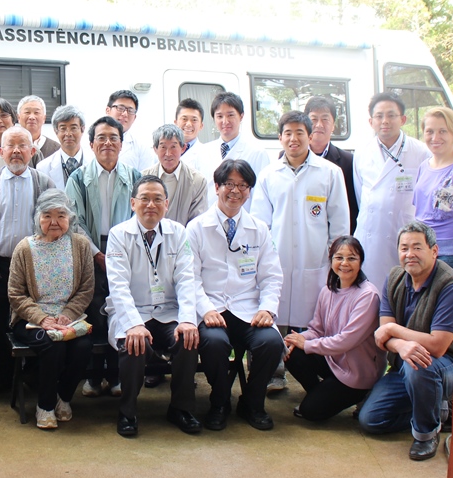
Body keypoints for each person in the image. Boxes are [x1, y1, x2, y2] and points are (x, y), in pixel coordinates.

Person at [251, 111, 350, 391]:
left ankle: (316, 375)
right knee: (274, 319)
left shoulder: (330, 172)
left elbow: (340, 222)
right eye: (288, 133)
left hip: (316, 261)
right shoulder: (269, 174)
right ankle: (275, 372)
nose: (293, 139)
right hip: (277, 259)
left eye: (299, 133)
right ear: (280, 137)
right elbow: (261, 223)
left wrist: (337, 260)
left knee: (314, 322)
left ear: (310, 136)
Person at [188, 159, 286, 431]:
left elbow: (271, 275)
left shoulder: (259, 228)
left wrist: (267, 309)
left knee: (271, 343)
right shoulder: (196, 228)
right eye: (229, 184)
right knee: (214, 343)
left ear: (250, 191)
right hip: (213, 308)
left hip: (248, 309)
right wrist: (206, 309)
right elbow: (190, 278)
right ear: (217, 186)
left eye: (243, 185)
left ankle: (252, 403)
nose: (236, 191)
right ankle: (219, 402)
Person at [107, 175, 201, 437]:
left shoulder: (178, 232)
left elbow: (186, 279)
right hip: (132, 311)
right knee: (134, 343)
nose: (151, 204)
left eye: (157, 199)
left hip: (167, 312)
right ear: (133, 203)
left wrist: (187, 320)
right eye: (145, 199)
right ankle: (127, 412)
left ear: (166, 204)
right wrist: (134, 324)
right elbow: (118, 285)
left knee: (187, 339)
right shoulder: (118, 234)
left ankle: (181, 408)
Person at [358, 221, 453, 461]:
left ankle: (426, 433)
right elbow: (383, 337)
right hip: (404, 365)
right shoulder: (394, 277)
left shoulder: (450, 285)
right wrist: (401, 344)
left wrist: (394, 329)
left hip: (444, 366)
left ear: (434, 251)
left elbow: (437, 345)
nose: (409, 254)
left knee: (419, 364)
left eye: (417, 247)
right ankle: (435, 410)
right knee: (371, 420)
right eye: (404, 248)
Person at [0, 126, 56, 394]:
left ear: (33, 151)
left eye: (23, 146)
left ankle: (31, 377)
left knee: (32, 322)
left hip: (35, 269)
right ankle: (1, 380)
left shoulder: (45, 183)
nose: (16, 151)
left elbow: (54, 230)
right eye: (10, 146)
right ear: (0, 151)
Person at [65, 116, 141, 397]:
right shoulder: (78, 178)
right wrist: (98, 254)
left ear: (121, 144)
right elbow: (74, 222)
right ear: (92, 143)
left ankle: (118, 374)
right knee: (95, 311)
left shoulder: (134, 177)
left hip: (127, 253)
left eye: (114, 138)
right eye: (102, 138)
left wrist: (118, 254)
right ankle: (95, 377)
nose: (108, 143)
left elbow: (139, 217)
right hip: (90, 253)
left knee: (123, 309)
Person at [7, 191, 95, 429]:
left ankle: (63, 397)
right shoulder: (24, 249)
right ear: (38, 218)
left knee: (83, 346)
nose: (54, 221)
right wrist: (43, 318)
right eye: (47, 215)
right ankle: (44, 405)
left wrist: (67, 315)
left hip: (69, 317)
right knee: (51, 345)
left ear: (70, 218)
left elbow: (86, 289)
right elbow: (15, 294)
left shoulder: (80, 245)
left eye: (61, 215)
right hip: (30, 319)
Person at [284, 236, 384, 422]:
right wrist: (295, 340)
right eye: (339, 258)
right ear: (331, 261)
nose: (344, 263)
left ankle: (361, 395)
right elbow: (317, 329)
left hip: (357, 373)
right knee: (292, 351)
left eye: (352, 258)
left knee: (310, 412)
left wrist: (306, 344)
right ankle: (321, 394)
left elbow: (346, 341)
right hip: (333, 361)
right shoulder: (328, 290)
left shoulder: (368, 296)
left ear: (361, 261)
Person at [353, 92, 431, 283]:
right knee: (371, 292)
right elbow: (359, 194)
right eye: (379, 116)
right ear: (371, 121)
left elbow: (425, 198)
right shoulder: (362, 152)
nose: (385, 121)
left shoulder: (420, 152)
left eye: (391, 115)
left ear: (403, 119)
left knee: (403, 291)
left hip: (403, 234)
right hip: (370, 235)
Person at [413, 107, 453, 273]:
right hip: (422, 250)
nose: (435, 138)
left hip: (450, 254)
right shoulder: (424, 166)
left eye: (443, 131)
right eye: (430, 131)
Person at [200, 92, 269, 209]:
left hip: (243, 220)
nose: (225, 121)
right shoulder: (204, 151)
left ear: (241, 116)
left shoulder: (257, 152)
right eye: (220, 116)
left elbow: (262, 194)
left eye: (230, 115)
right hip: (211, 220)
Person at [304, 96, 358, 233]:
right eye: (314, 119)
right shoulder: (287, 157)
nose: (319, 125)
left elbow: (351, 206)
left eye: (325, 119)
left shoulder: (347, 161)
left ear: (333, 125)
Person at [142, 124, 207, 225]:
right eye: (163, 147)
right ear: (155, 149)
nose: (168, 153)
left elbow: (197, 223)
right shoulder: (142, 178)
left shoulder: (197, 181)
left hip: (184, 239)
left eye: (173, 147)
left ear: (183, 148)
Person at [36, 105, 91, 189]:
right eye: (63, 128)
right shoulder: (43, 167)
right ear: (56, 131)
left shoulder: (95, 162)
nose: (68, 134)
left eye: (73, 128)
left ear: (82, 129)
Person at [107, 89, 156, 171]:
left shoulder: (142, 148)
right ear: (108, 110)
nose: (125, 114)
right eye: (120, 108)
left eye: (130, 111)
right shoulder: (89, 141)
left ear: (134, 118)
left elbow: (146, 181)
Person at [17, 95, 60, 161]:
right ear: (18, 117)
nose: (31, 117)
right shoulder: (11, 147)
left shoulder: (56, 149)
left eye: (36, 112)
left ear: (44, 118)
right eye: (27, 112)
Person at [175, 98, 207, 171]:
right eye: (184, 119)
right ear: (176, 122)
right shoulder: (163, 150)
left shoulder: (206, 154)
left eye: (194, 120)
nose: (189, 124)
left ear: (201, 126)